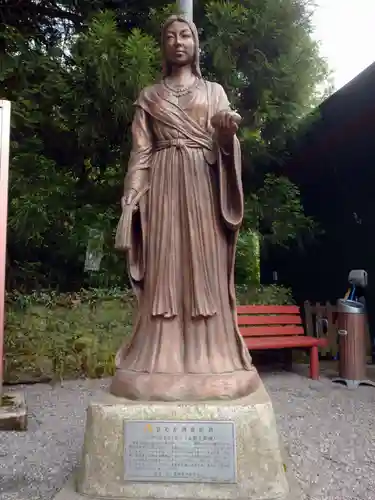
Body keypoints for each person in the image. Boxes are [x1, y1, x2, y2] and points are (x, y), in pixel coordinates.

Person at [111, 15, 260, 401]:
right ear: (163, 46)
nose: (179, 42)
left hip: (202, 186)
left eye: (186, 36)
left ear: (196, 45)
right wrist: (132, 195)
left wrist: (227, 137)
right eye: (171, 37)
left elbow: (226, 147)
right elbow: (140, 153)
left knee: (203, 268)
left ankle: (211, 355)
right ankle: (160, 356)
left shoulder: (213, 92)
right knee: (165, 268)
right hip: (161, 186)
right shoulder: (150, 96)